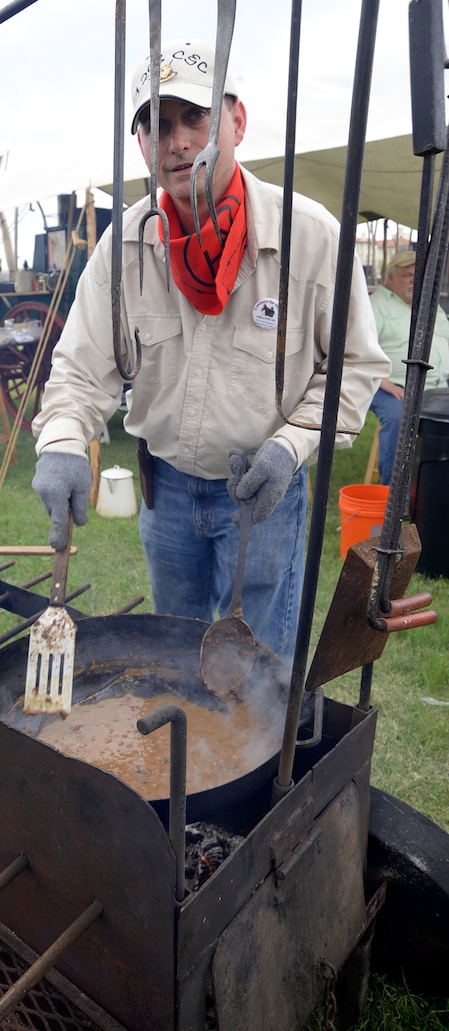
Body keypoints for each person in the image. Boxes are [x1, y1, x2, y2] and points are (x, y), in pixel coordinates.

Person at [31, 38, 390, 667]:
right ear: (141, 143)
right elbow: (81, 368)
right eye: (156, 125)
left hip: (263, 494)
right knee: (176, 651)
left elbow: (354, 368)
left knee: (254, 668)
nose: (177, 141)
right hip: (165, 492)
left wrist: (292, 446)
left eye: (194, 117)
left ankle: (257, 761)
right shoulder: (126, 246)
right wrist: (62, 442)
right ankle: (189, 763)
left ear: (236, 120)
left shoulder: (308, 238)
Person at [368, 249, 449, 485]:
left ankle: (435, 484)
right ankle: (396, 496)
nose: (415, 280)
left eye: (419, 275)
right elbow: (356, 351)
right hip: (391, 385)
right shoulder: (376, 305)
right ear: (390, 278)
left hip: (436, 385)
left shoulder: (429, 306)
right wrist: (385, 383)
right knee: (400, 417)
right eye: (408, 275)